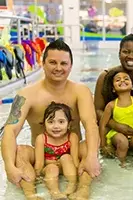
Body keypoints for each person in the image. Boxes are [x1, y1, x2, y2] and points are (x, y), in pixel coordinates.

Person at [1, 39, 100, 200]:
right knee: (19, 152)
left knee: (91, 147)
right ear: (43, 63)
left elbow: (91, 126)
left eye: (64, 63)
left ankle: (83, 190)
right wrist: (9, 166)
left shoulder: (81, 91)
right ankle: (31, 194)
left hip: (73, 155)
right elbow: (10, 130)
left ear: (71, 66)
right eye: (53, 62)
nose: (58, 68)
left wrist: (92, 157)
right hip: (42, 156)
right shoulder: (26, 95)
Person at [99, 68, 133, 167]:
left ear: (132, 86)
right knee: (122, 142)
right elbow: (102, 125)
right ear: (113, 89)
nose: (122, 81)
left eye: (126, 79)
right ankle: (121, 164)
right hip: (116, 134)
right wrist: (103, 145)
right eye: (118, 80)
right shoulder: (111, 105)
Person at [34, 102, 79, 199]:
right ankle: (55, 193)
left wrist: (78, 174)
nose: (56, 126)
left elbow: (75, 161)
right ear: (44, 123)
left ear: (69, 124)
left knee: (66, 157)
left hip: (66, 167)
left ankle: (71, 186)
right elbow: (39, 164)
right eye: (51, 122)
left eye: (61, 122)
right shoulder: (41, 139)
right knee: (52, 168)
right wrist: (37, 178)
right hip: (49, 169)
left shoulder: (72, 137)